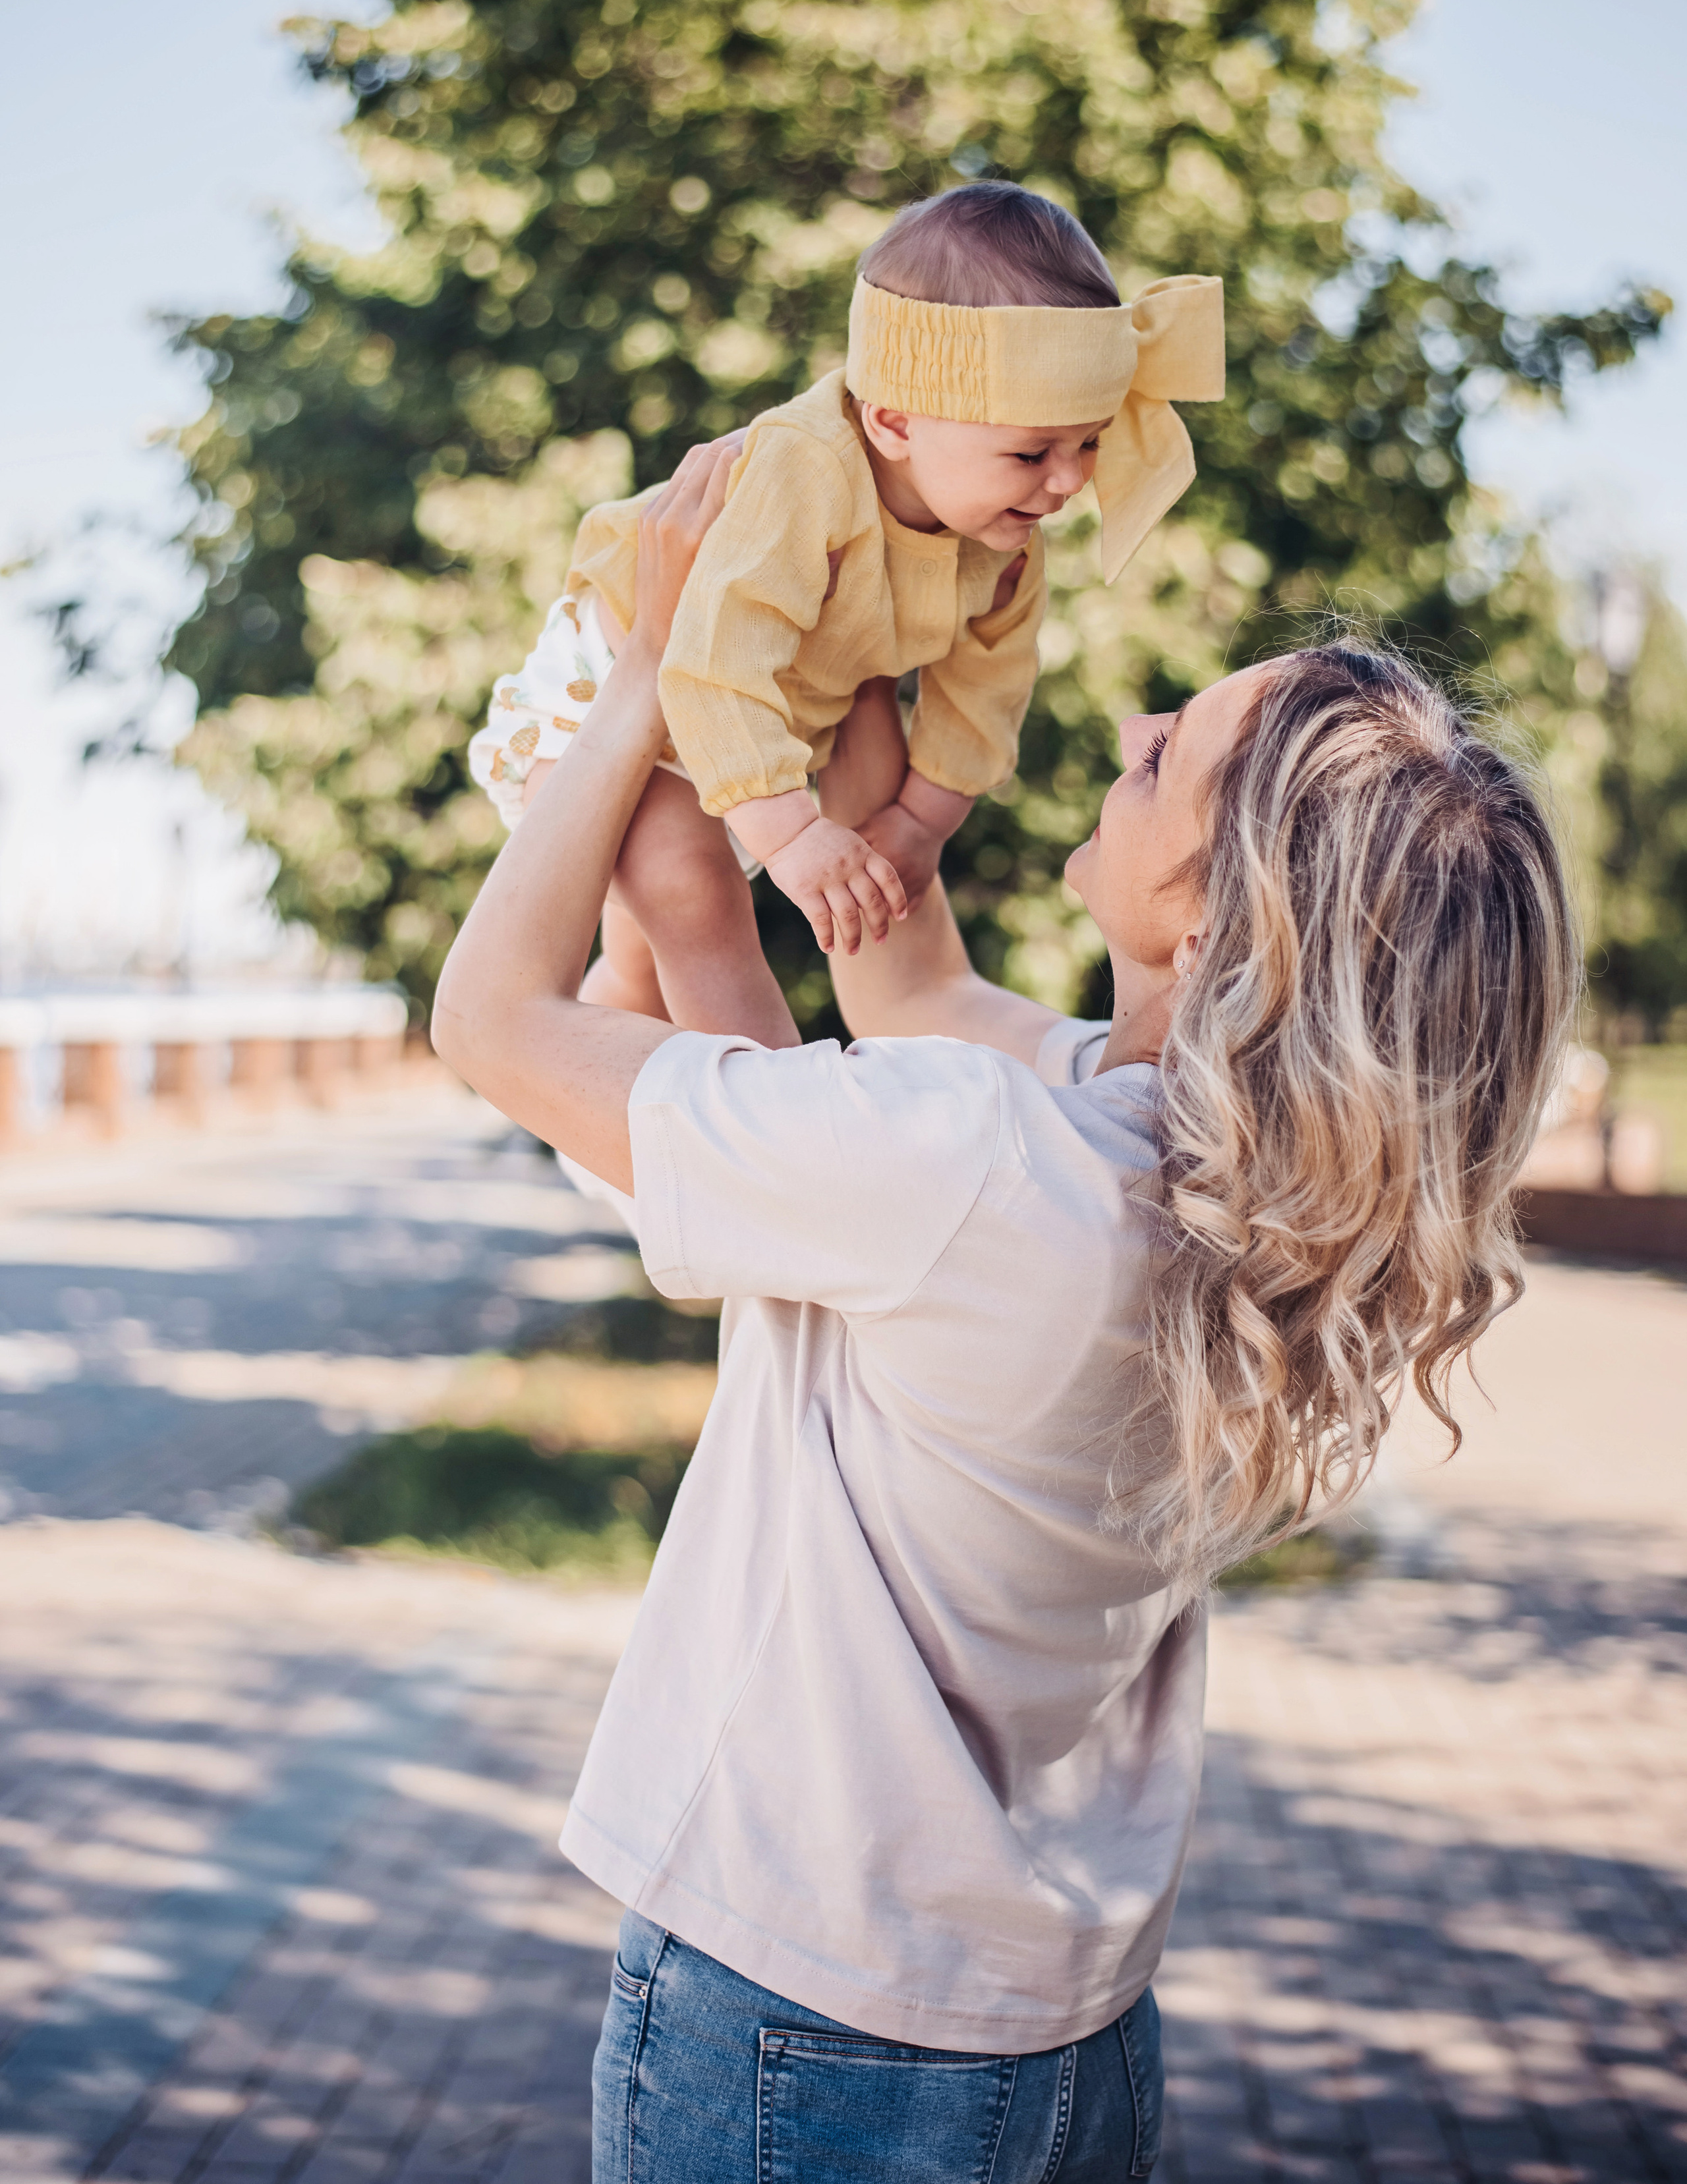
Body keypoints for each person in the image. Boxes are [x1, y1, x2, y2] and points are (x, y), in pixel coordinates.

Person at [431, 445, 1578, 2181]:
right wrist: (869, 628)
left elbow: (492, 1021)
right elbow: (914, 987)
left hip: (805, 2024)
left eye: (1162, 756)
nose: (1120, 740)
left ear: (1210, 916)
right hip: (1059, 2030)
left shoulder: (977, 1164)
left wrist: (656, 679)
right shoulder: (1236, 1201)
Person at [469, 181, 1223, 1046]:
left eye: (1088, 442)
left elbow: (986, 691)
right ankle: (785, 1121)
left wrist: (917, 822)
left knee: (644, 962)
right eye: (1030, 452)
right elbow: (714, 656)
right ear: (895, 421)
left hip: (763, 730)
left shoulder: (1003, 540)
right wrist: (793, 840)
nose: (1066, 481)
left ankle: (620, 1068)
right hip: (626, 688)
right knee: (694, 894)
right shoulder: (807, 472)